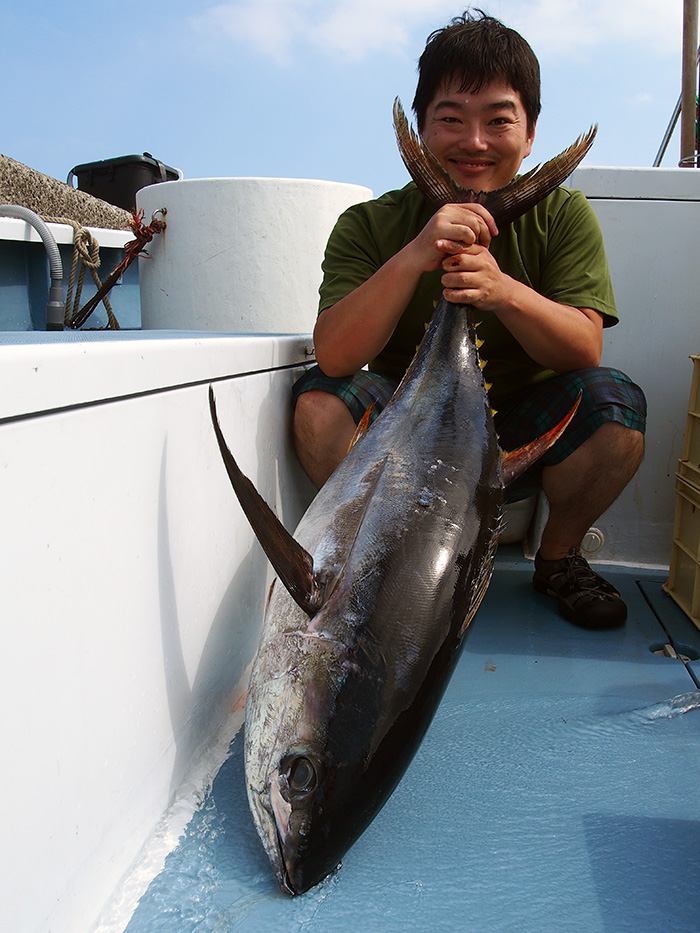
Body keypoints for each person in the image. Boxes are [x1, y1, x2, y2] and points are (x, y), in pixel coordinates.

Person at [291, 10, 646, 630]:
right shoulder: (369, 224)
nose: (474, 142)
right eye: (451, 119)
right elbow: (338, 356)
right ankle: (376, 563)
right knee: (319, 407)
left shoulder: (563, 216)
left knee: (615, 409)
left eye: (498, 121)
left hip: (523, 432)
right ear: (422, 129)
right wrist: (415, 254)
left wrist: (502, 291)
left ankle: (557, 559)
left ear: (530, 135)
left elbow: (584, 350)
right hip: (408, 427)